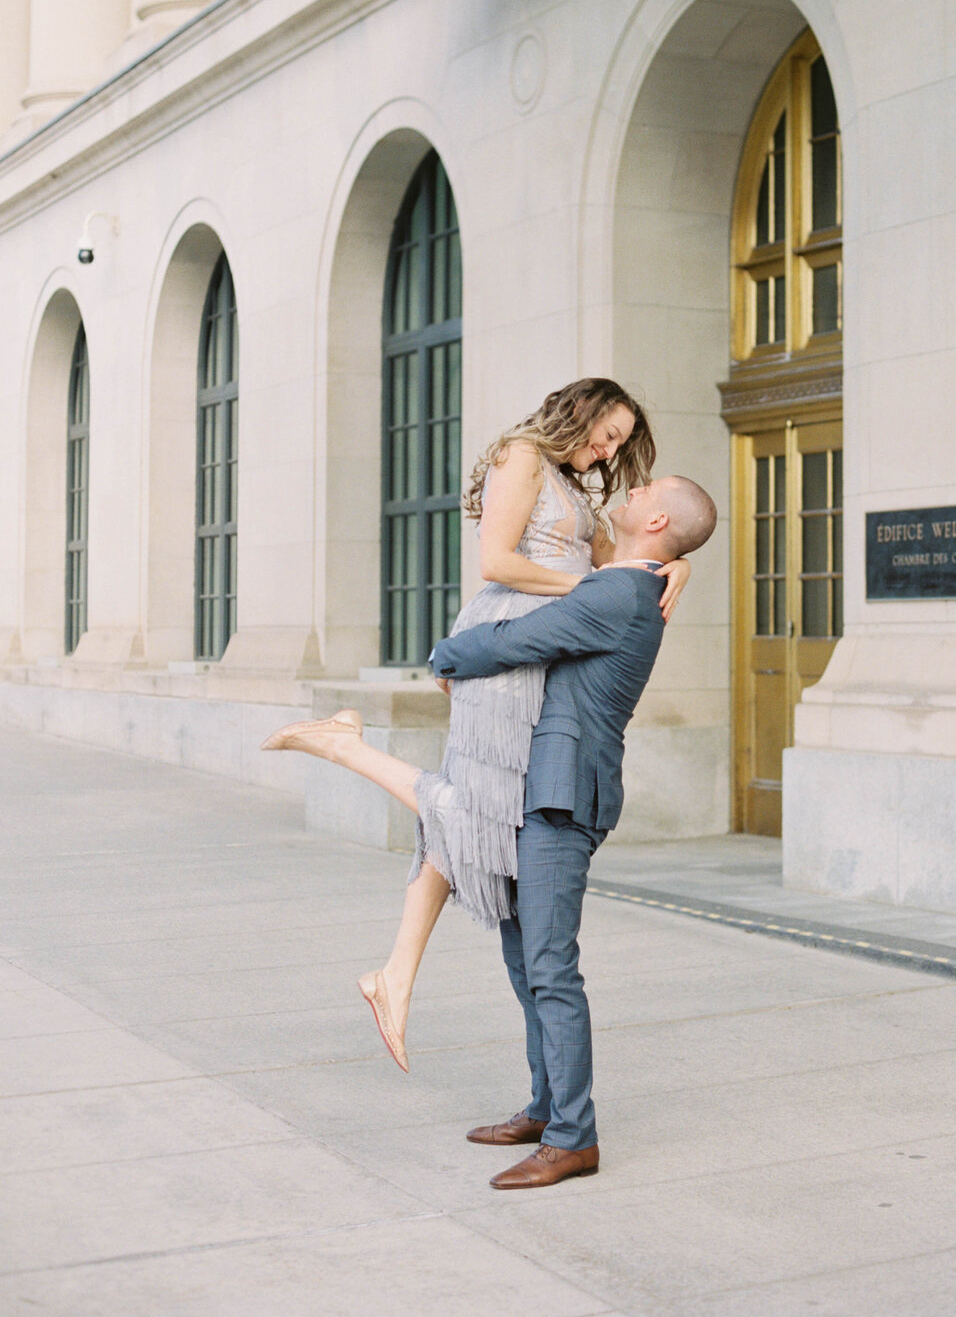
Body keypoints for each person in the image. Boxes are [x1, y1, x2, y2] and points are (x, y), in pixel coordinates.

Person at [260, 379, 690, 1071]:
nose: (610, 449)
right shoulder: (521, 456)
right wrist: (590, 590)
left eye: (619, 441)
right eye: (607, 432)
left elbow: (642, 554)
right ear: (577, 413)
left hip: (542, 652)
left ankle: (396, 972)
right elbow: (497, 561)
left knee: (488, 815)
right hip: (505, 644)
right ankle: (346, 750)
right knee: (476, 807)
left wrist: (682, 565)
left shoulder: (576, 490)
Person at [434, 474, 718, 1189]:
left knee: (551, 966)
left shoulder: (620, 594)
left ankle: (573, 1137)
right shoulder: (625, 581)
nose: (631, 484)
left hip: (562, 795)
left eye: (645, 485)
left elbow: (522, 639)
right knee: (523, 956)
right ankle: (543, 1106)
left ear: (655, 518)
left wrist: (447, 654)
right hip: (539, 787)